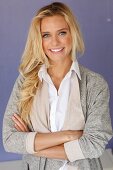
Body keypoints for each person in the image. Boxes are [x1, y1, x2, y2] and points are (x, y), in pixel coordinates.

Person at [2, 2, 113, 170]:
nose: (54, 42)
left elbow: (94, 146)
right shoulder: (26, 81)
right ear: (39, 39)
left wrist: (32, 145)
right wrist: (69, 136)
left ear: (72, 34)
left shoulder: (95, 84)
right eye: (46, 35)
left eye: (62, 33)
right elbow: (10, 141)